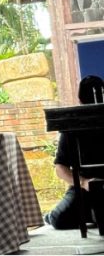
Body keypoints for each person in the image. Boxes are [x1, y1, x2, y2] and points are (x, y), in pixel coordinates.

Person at [44, 75, 104, 229]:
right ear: (82, 101)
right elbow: (60, 167)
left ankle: (94, 214)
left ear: (79, 99)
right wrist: (83, 182)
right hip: (85, 185)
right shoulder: (72, 125)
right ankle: (51, 216)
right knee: (59, 219)